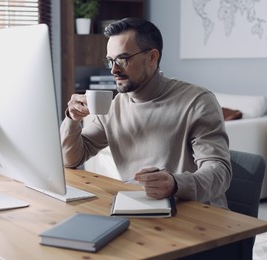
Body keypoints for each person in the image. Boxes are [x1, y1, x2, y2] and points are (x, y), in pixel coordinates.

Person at [60, 17, 232, 208]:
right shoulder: (115, 105)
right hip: (140, 208)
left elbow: (220, 173)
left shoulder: (198, 101)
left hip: (198, 214)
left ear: (152, 57)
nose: (114, 70)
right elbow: (72, 159)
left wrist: (176, 184)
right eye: (110, 61)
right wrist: (72, 119)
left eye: (122, 59)